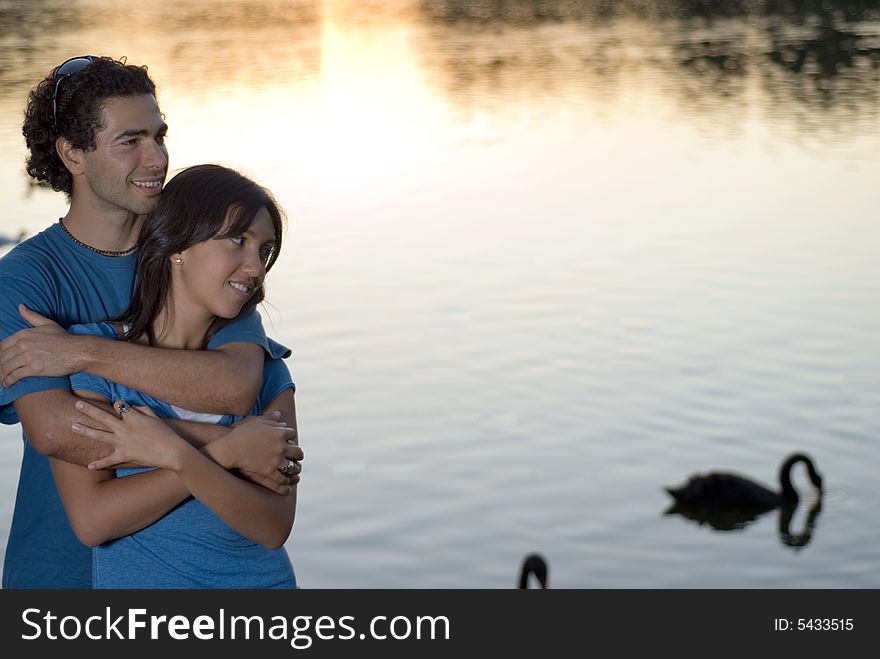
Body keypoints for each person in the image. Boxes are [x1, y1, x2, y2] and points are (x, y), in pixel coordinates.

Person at [0, 56, 301, 588]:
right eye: (131, 141)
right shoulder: (25, 280)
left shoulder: (199, 256)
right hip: (59, 570)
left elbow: (233, 388)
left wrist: (80, 353)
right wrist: (230, 448)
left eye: (160, 137)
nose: (157, 158)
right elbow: (54, 430)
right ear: (73, 154)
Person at [51, 164, 298, 588]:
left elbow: (272, 527)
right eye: (238, 241)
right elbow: (93, 520)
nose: (255, 267)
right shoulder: (94, 360)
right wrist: (228, 453)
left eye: (263, 250)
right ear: (177, 244)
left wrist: (177, 455)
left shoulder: (266, 370)